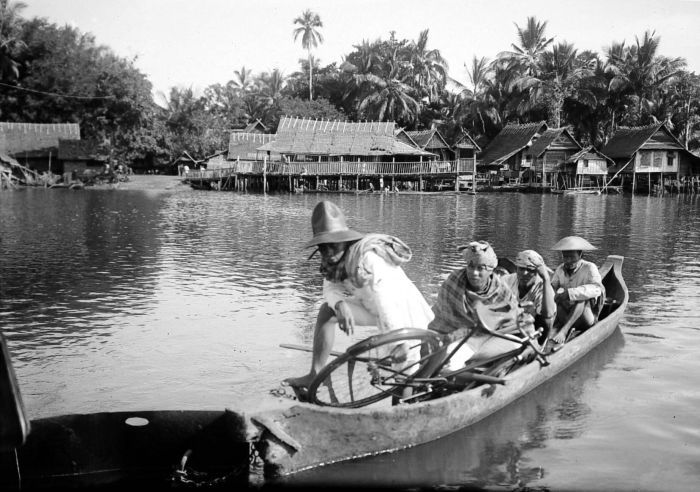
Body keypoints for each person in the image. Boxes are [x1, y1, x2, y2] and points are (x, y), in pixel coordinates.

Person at [284, 201, 434, 391]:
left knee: (402, 373)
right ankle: (316, 374)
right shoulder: (332, 262)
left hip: (402, 316)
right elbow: (329, 289)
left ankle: (404, 405)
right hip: (373, 310)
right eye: (323, 247)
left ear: (345, 242)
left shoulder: (368, 259)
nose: (328, 253)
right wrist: (339, 304)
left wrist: (398, 343)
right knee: (326, 311)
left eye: (333, 245)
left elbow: (386, 303)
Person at [428, 241, 531, 371]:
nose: (474, 273)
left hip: (488, 338)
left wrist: (530, 338)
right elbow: (441, 319)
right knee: (448, 363)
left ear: (490, 270)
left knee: (517, 346)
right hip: (454, 337)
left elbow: (518, 317)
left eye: (480, 268)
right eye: (471, 266)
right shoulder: (453, 281)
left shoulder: (499, 290)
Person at [550, 236, 604, 344]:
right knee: (554, 298)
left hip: (585, 318)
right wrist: (554, 294)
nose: (568, 260)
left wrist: (569, 293)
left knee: (582, 300)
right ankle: (550, 328)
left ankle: (564, 332)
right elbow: (552, 286)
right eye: (565, 257)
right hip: (565, 314)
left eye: (572, 257)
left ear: (580, 255)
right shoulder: (560, 269)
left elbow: (597, 289)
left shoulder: (590, 267)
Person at [501, 250, 556, 341]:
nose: (524, 273)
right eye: (521, 269)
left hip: (535, 326)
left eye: (530, 270)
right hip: (512, 322)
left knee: (547, 320)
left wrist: (546, 278)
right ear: (517, 268)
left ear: (537, 272)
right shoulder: (506, 280)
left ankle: (539, 345)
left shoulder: (543, 286)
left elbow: (549, 314)